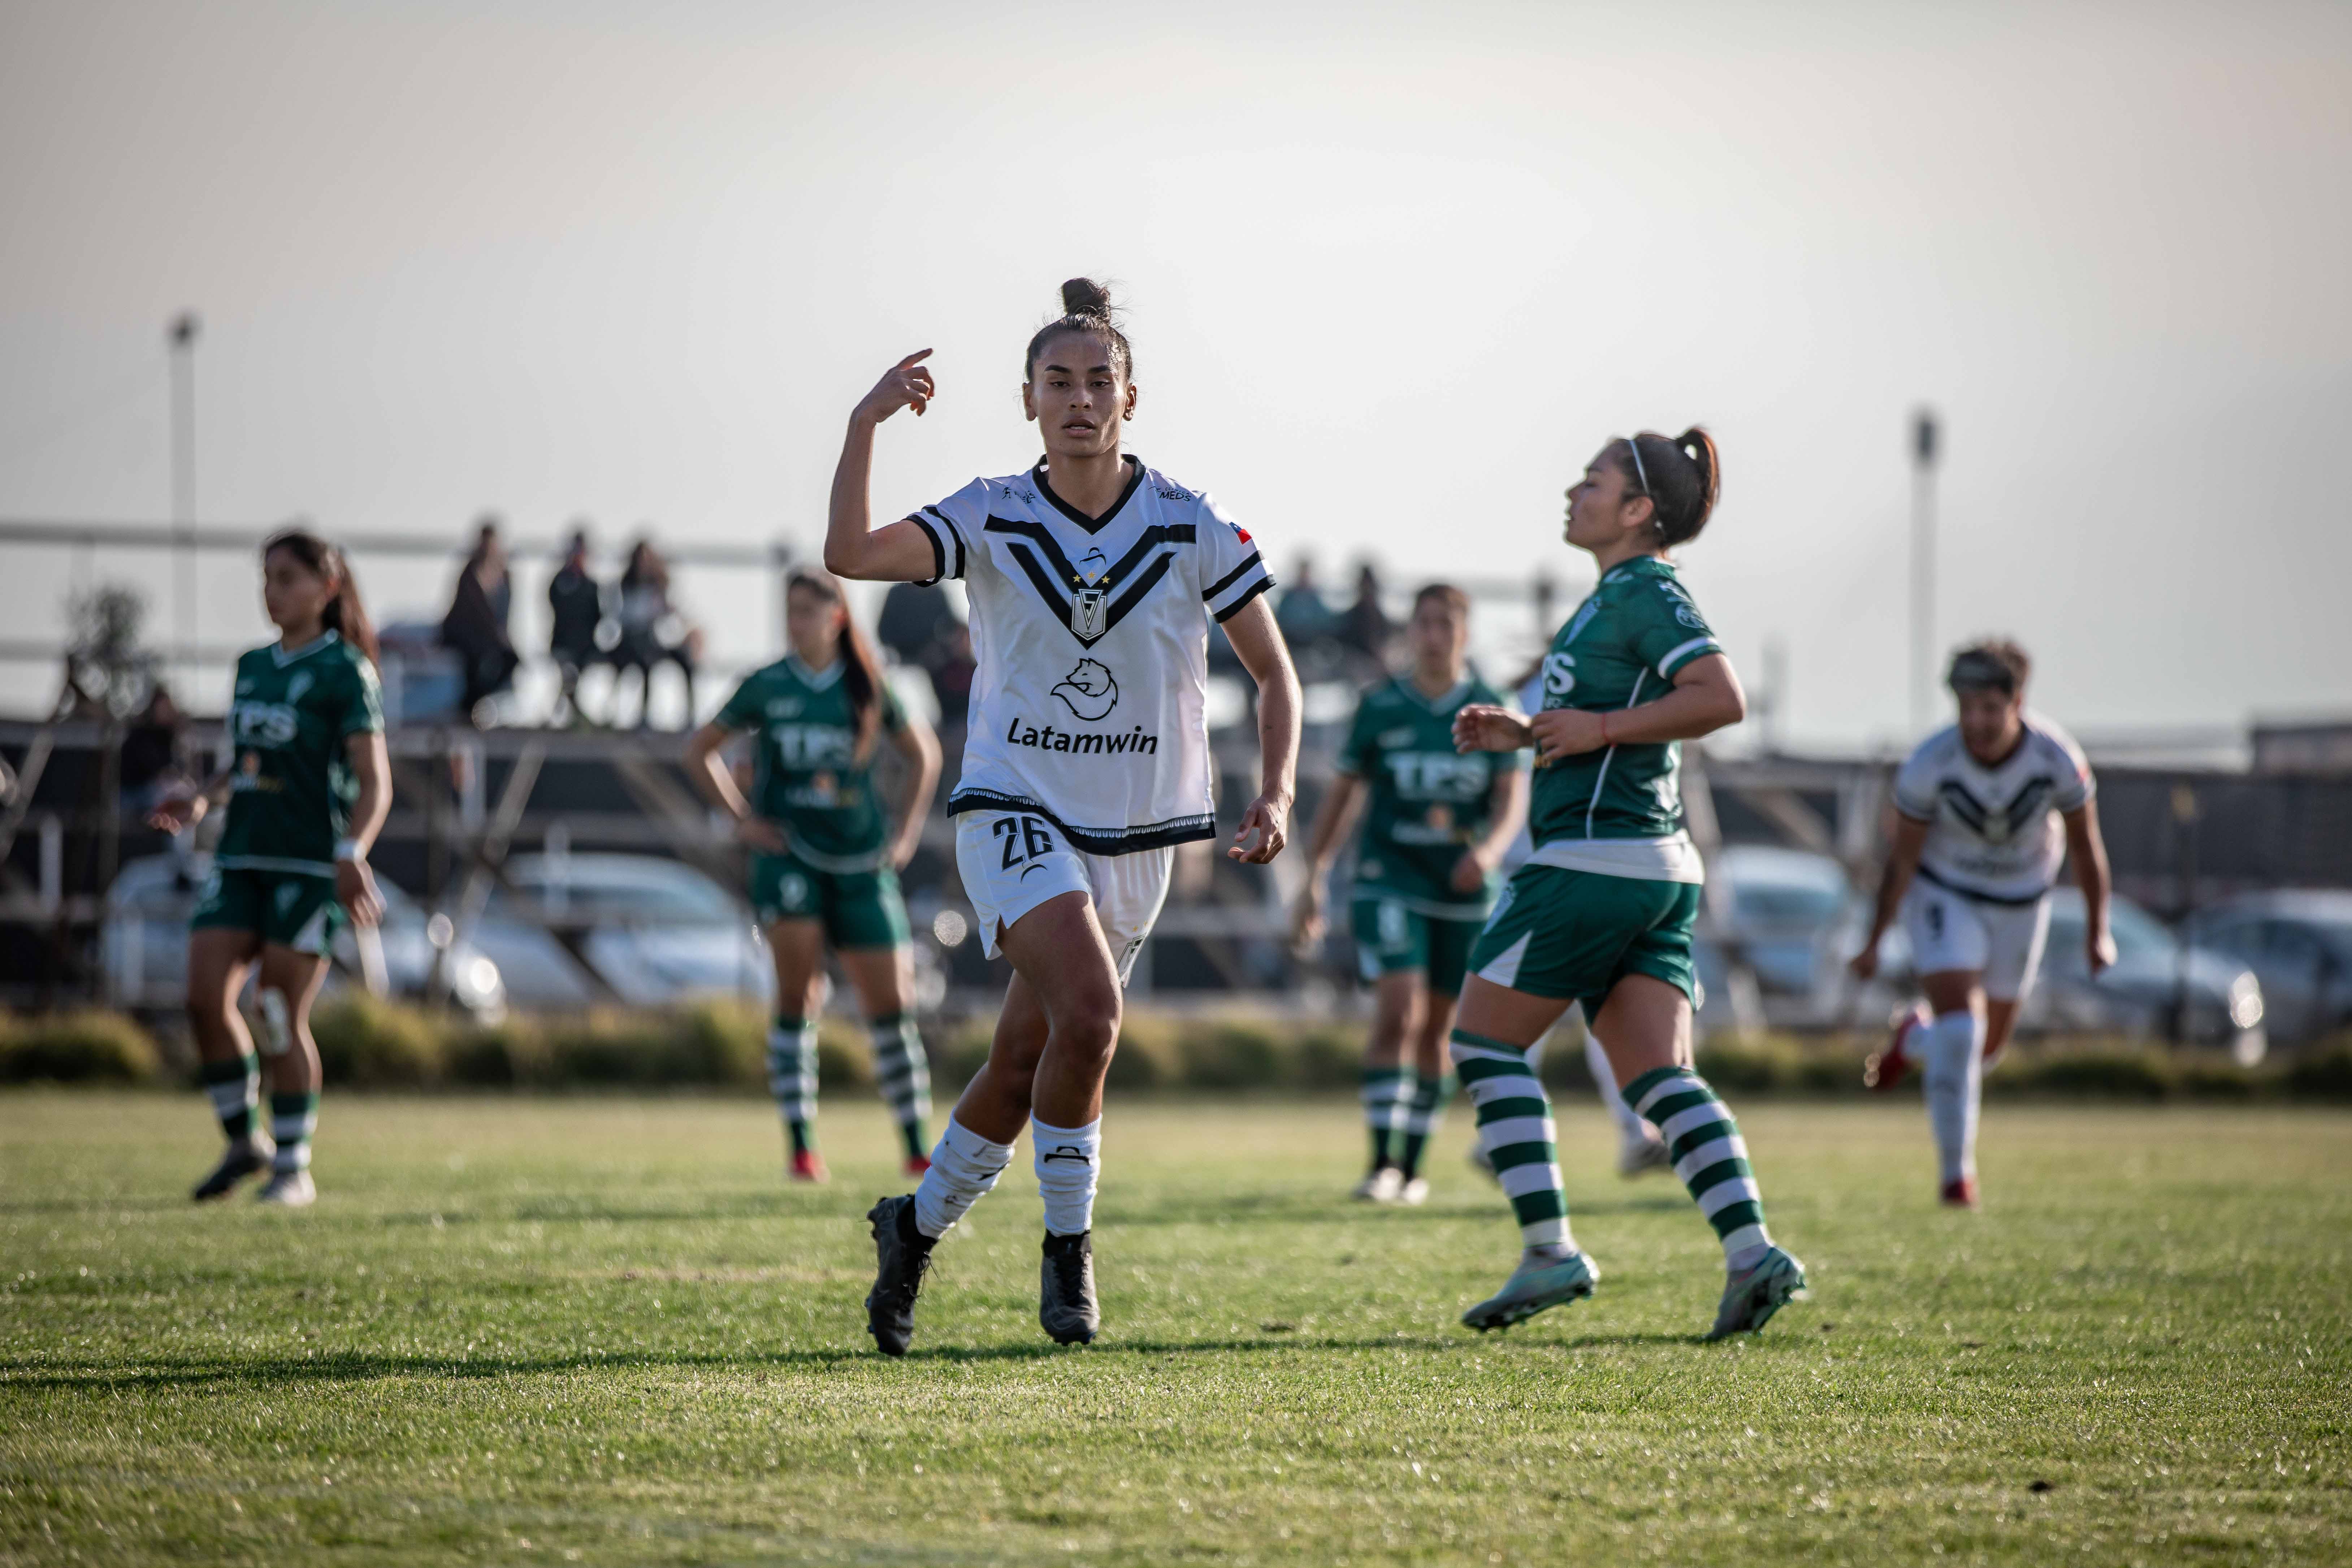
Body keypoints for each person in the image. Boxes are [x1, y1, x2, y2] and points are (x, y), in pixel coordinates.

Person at [822, 278, 1301, 1355]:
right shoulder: (990, 509)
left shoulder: (1188, 521)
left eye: (1098, 382)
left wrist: (1272, 793)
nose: (1078, 399)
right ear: (1027, 399)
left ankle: (912, 1227)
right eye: (1057, 383)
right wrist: (862, 424)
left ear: (1130, 397)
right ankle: (1069, 1257)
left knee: (1021, 1059)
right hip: (1011, 804)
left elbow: (1275, 675)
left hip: (1137, 830)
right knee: (1089, 1015)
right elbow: (848, 556)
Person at [1447, 429, 1806, 1338]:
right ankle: (1750, 1252)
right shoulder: (1617, 594)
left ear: (1639, 511)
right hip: (1652, 867)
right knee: (1656, 1076)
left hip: (1589, 864)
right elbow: (1609, 722)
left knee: (1485, 1046)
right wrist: (1527, 735)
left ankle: (1549, 1250)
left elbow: (1720, 698)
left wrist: (1600, 727)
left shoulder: (1644, 588)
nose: (1574, 490)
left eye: (1594, 481)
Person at [148, 530, 391, 1207]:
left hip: (307, 866)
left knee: (278, 1010)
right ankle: (241, 1139)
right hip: (240, 856)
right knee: (202, 998)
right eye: (266, 577)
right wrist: (203, 796)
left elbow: (376, 782)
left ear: (327, 588)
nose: (272, 591)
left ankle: (293, 1168)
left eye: (287, 577)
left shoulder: (347, 671)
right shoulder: (252, 665)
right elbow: (242, 760)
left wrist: (353, 852)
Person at [685, 568, 943, 1182]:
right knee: (797, 996)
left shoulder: (867, 683)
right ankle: (802, 1147)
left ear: (836, 617)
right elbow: (699, 749)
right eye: (789, 610)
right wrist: (742, 819)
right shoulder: (767, 683)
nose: (794, 621)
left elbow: (923, 755)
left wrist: (904, 836)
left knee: (892, 1004)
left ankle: (915, 1147)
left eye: (807, 610)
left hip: (861, 860)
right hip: (789, 855)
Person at [1849, 640, 2113, 1208]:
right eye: (1966, 708)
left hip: (2023, 901)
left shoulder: (2057, 759)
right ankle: (1956, 1177)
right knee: (1962, 1032)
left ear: (2018, 702)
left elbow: (2088, 849)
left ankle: (1913, 1038)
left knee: (1981, 1051)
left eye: (1989, 708)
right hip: (1949, 896)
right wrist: (1873, 941)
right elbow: (1902, 861)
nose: (1976, 722)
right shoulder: (1930, 764)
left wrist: (2098, 930)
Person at [1292, 584, 1525, 1204]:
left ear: (1464, 634)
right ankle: (1380, 1164)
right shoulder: (1381, 707)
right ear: (1409, 631)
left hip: (1461, 890)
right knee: (1399, 1010)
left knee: (1438, 1031)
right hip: (1387, 880)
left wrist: (1489, 850)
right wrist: (1313, 875)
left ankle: (1413, 1169)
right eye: (1423, 623)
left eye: (1445, 624)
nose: (1433, 635)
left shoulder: (1490, 706)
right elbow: (1343, 794)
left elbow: (1510, 800)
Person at [615, 540, 701, 728]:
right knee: (645, 664)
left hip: (656, 640)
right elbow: (625, 616)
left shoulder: (658, 585)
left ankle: (690, 716)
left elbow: (673, 618)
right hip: (633, 641)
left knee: (686, 662)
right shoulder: (626, 585)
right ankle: (643, 716)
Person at [440, 518, 518, 724]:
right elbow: (474, 614)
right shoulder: (471, 573)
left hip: (490, 638)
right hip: (463, 636)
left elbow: (504, 614)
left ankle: (480, 704)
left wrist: (504, 638)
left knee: (511, 660)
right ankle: (468, 708)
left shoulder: (505, 575)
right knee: (476, 662)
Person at [548, 528, 608, 726]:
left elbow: (599, 616)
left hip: (586, 649)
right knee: (566, 676)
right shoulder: (560, 582)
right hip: (563, 646)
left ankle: (581, 715)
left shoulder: (592, 586)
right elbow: (557, 606)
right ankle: (563, 715)